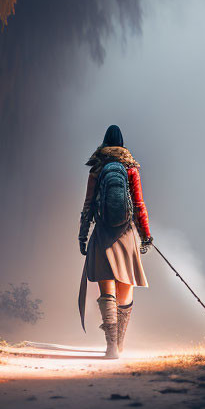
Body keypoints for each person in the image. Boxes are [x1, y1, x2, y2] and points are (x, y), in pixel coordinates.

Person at [78, 124, 153, 358]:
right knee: (125, 291)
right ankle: (120, 344)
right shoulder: (130, 169)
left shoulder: (97, 169)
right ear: (122, 143)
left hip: (102, 234)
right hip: (126, 234)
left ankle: (110, 346)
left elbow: (88, 206)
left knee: (106, 290)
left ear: (104, 142)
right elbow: (139, 206)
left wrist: (82, 235)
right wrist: (146, 236)